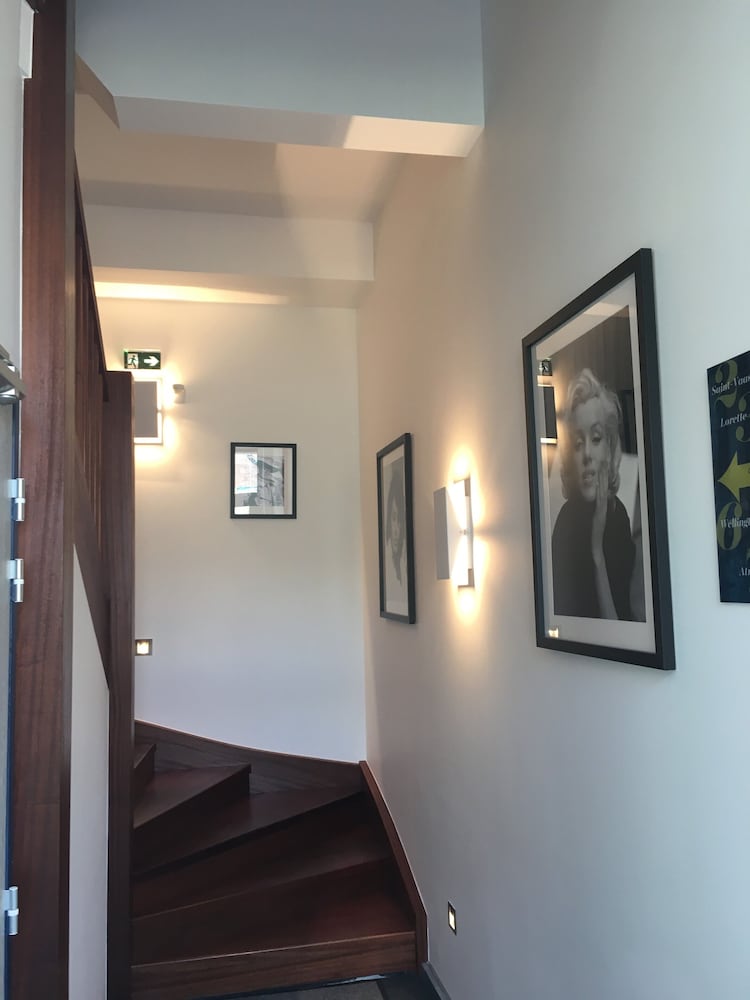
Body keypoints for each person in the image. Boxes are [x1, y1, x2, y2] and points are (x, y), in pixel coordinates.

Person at [551, 368, 636, 620]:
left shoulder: (618, 517)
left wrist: (597, 549)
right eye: (578, 444)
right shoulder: (565, 523)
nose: (587, 453)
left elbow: (618, 624)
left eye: (596, 438)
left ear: (609, 448)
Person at [384, 460, 408, 607]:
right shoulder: (389, 567)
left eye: (400, 520)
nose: (396, 530)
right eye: (393, 518)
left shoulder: (403, 564)